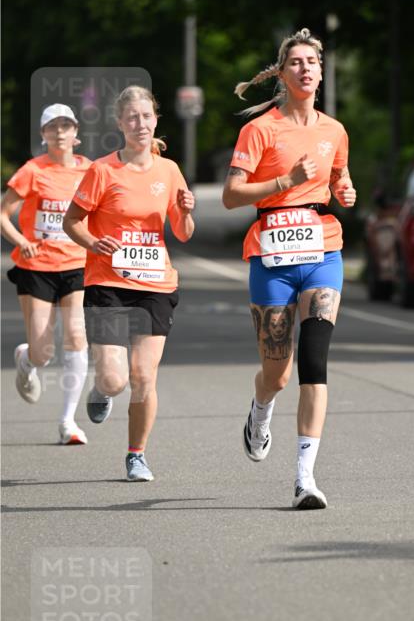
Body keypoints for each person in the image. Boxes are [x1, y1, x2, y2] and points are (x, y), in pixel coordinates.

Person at [223, 27, 356, 510]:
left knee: (314, 363)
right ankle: (260, 410)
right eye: (295, 62)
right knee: (277, 373)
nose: (305, 69)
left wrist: (344, 192)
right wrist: (285, 179)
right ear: (282, 73)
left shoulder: (334, 130)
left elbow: (339, 177)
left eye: (312, 62)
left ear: (321, 73)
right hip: (272, 257)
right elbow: (231, 195)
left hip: (323, 251)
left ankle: (305, 478)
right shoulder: (260, 130)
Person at [63, 86, 195, 482]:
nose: (140, 124)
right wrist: (93, 242)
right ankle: (101, 389)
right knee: (115, 379)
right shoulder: (102, 170)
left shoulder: (169, 170)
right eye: (131, 118)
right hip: (108, 282)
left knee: (144, 376)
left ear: (155, 120)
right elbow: (72, 222)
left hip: (155, 283)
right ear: (120, 124)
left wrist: (187, 212)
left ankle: (136, 454)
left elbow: (184, 234)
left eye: (146, 116)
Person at [1, 104, 91, 444]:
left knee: (76, 337)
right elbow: (3, 214)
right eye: (52, 127)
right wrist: (22, 241)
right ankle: (27, 359)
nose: (59, 132)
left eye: (65, 125)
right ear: (43, 135)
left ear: (75, 133)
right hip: (36, 267)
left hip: (75, 264)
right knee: (43, 352)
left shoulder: (90, 170)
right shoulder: (32, 171)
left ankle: (68, 421)